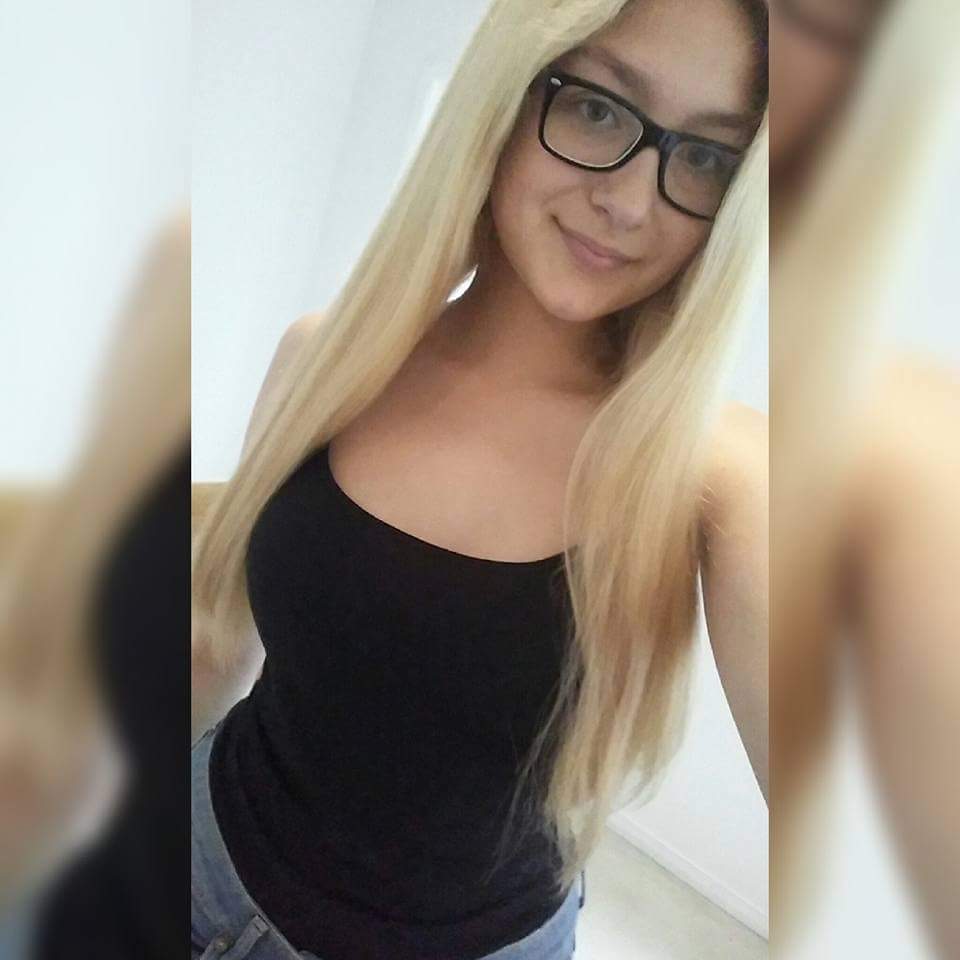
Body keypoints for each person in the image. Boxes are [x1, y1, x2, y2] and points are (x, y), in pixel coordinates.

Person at [191, 2, 768, 959]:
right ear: (506, 98)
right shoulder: (324, 362)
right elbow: (217, 639)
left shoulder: (707, 475)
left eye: (706, 157)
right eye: (598, 109)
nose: (633, 203)